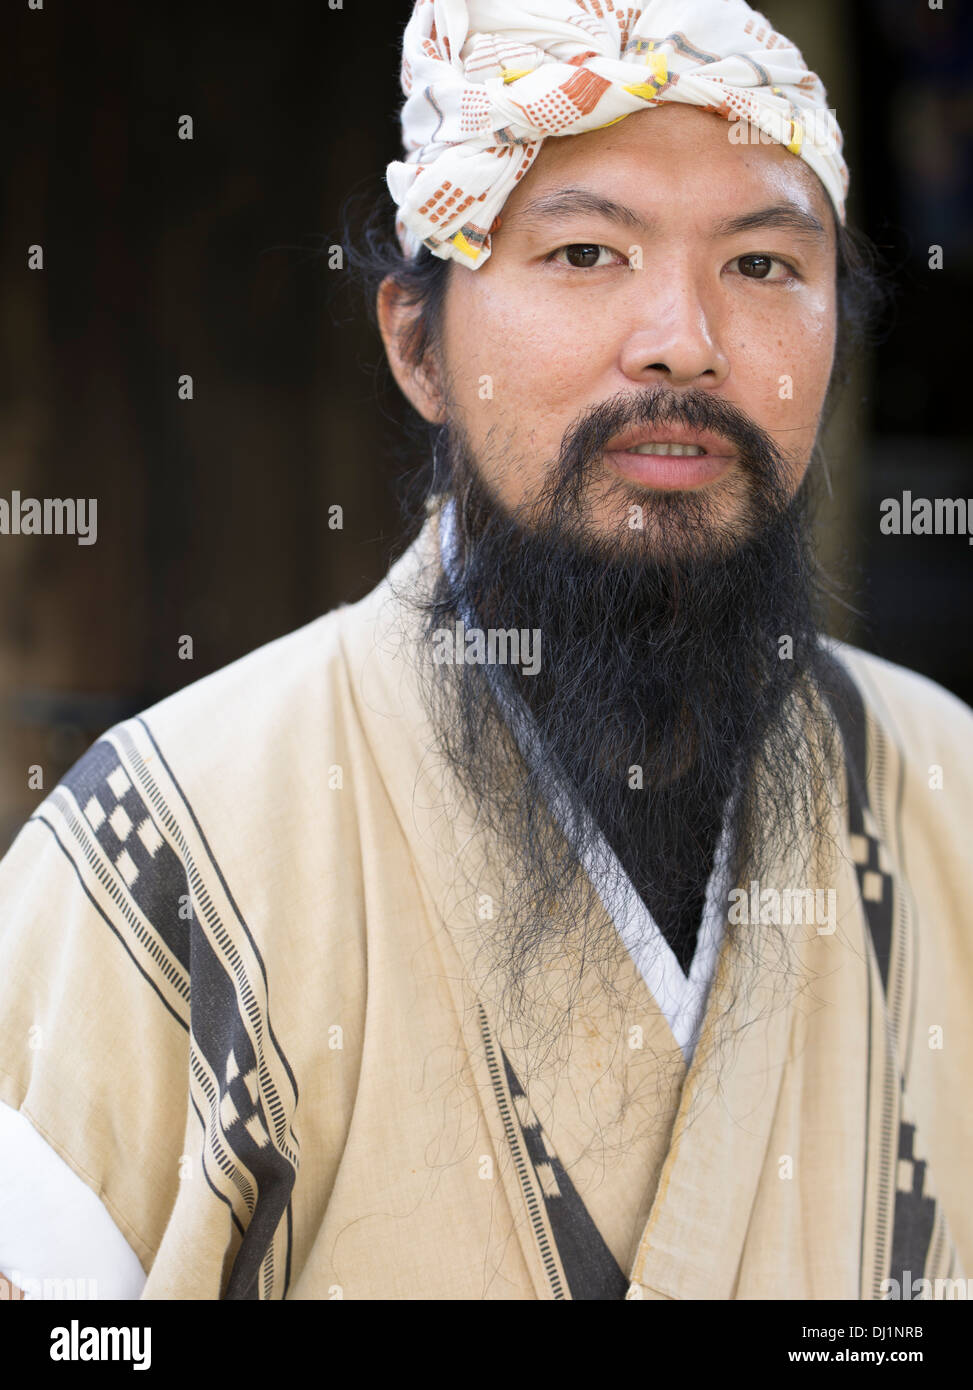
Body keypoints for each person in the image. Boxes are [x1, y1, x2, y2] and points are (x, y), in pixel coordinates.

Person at [1, 0, 970, 1302]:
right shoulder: (168, 845)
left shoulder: (948, 793)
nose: (683, 337)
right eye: (583, 250)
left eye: (760, 266)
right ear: (416, 341)